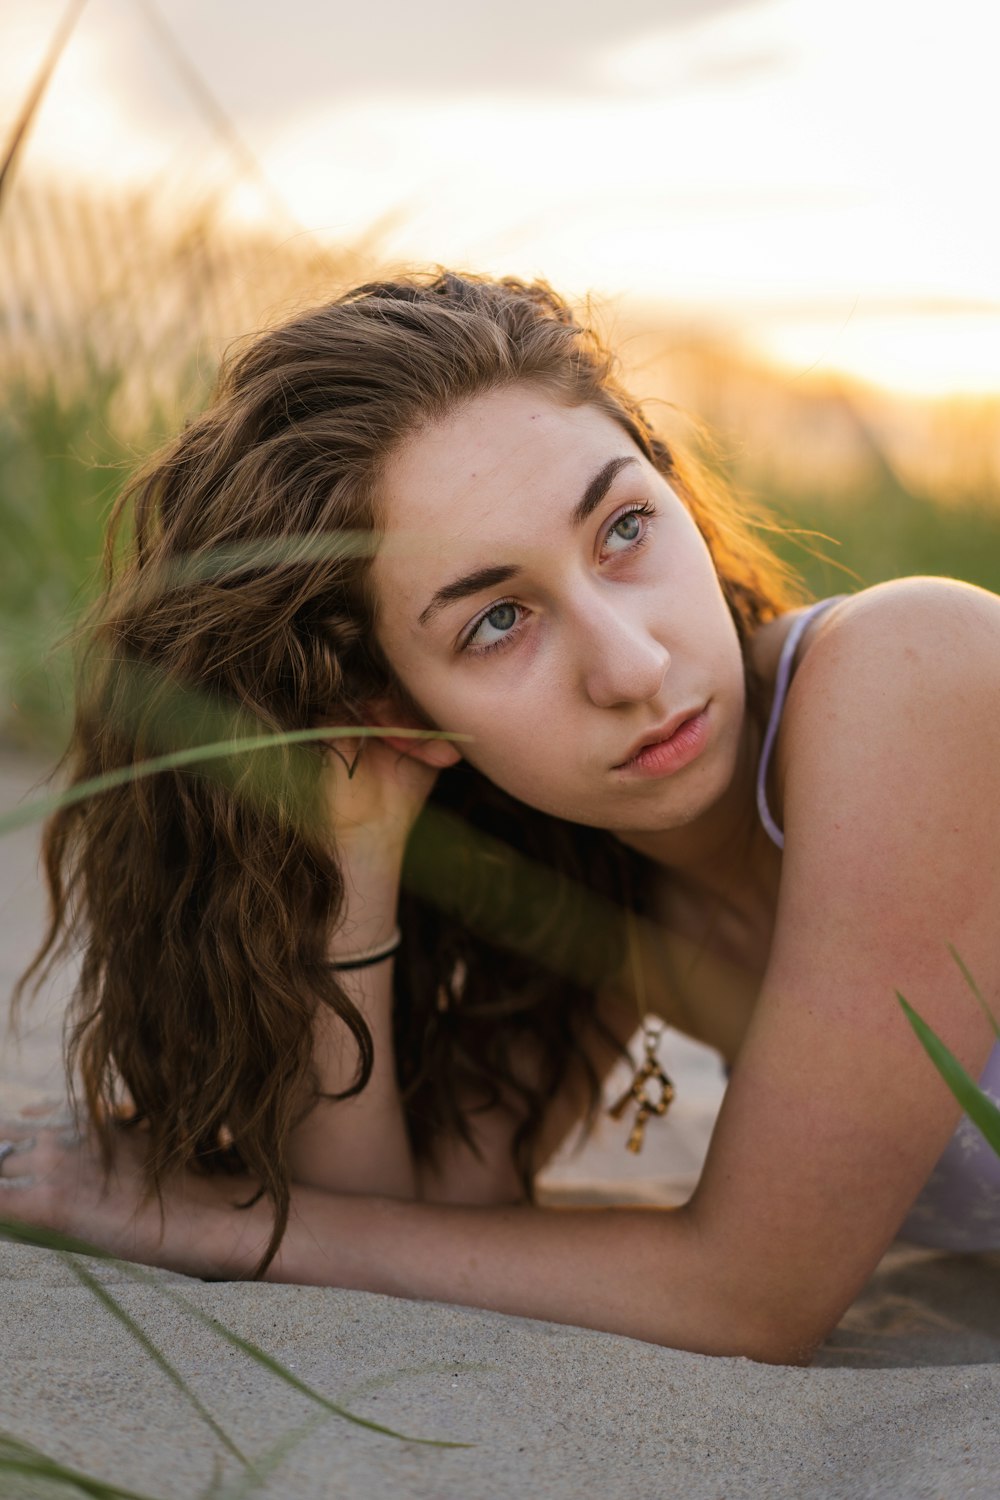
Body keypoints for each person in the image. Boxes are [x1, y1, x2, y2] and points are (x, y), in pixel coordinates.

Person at [2, 271, 1000, 1367]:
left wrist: (193, 1217)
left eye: (623, 528)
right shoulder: (591, 888)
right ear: (393, 703)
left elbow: (752, 1299)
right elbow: (402, 1212)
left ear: (673, 489)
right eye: (496, 622)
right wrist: (355, 862)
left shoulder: (918, 672)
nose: (633, 665)